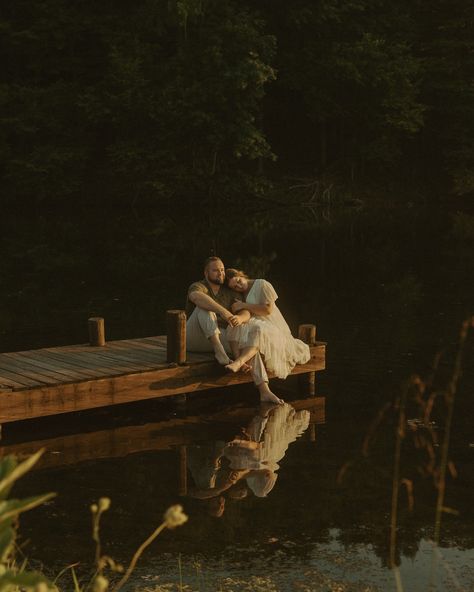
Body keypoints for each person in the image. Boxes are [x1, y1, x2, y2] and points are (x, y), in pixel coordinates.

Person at [186, 257, 281, 404]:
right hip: (194, 338)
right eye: (216, 270)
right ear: (206, 273)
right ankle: (219, 351)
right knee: (203, 308)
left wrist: (241, 318)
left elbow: (246, 312)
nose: (220, 273)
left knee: (246, 341)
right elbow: (196, 297)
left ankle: (265, 391)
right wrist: (224, 312)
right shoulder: (199, 286)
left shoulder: (229, 291)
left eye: (222, 270)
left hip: (219, 336)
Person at [224, 269, 311, 380]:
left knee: (260, 329)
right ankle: (241, 362)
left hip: (270, 323)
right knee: (236, 327)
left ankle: (239, 362)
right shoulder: (240, 294)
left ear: (240, 274)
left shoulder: (262, 284)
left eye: (238, 280)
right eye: (235, 286)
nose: (239, 286)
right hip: (255, 322)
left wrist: (243, 305)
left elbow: (268, 310)